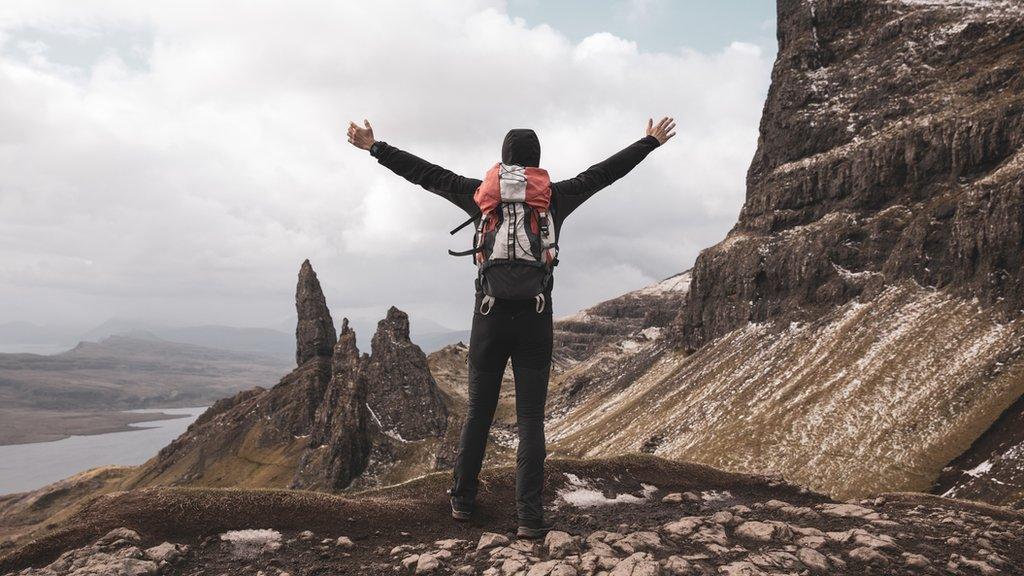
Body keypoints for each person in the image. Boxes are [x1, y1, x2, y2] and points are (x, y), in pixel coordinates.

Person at [347, 117, 676, 538]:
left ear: (502, 161)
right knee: (531, 421)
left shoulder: (481, 196)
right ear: (537, 161)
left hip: (489, 318)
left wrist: (375, 147)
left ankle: (463, 502)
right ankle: (529, 518)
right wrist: (648, 141)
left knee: (478, 414)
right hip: (535, 321)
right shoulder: (553, 198)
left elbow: (425, 174)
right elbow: (605, 173)